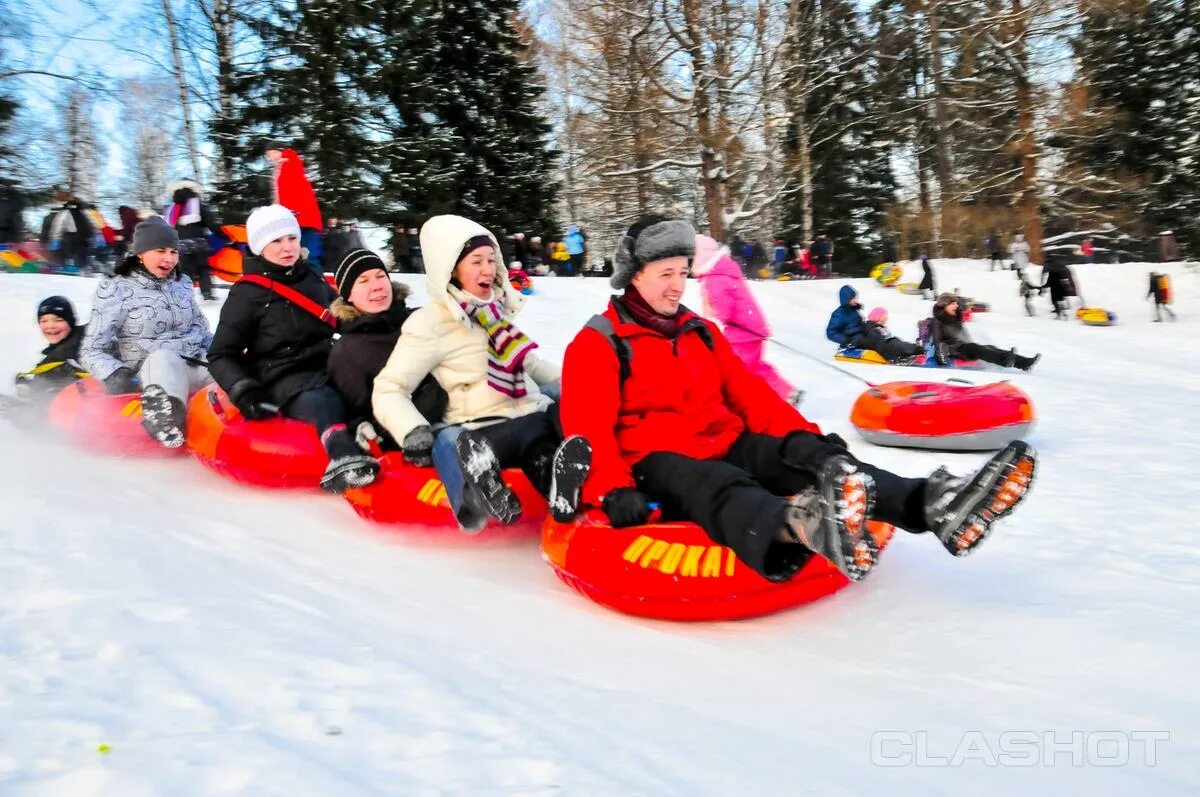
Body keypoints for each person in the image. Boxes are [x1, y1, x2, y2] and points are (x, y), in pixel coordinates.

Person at [559, 215, 1038, 584]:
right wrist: (612, 489)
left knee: (807, 460)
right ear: (633, 276)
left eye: (684, 272)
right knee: (717, 481)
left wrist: (808, 441)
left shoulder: (700, 332)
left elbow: (752, 398)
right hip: (653, 458)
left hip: (722, 439)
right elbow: (587, 427)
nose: (678, 285)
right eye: (666, 273)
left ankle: (933, 504)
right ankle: (803, 525)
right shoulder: (599, 342)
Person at [372, 215, 584, 532]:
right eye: (476, 261)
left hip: (526, 413)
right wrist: (412, 429)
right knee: (482, 438)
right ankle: (477, 487)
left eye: (491, 260)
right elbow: (390, 387)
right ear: (452, 269)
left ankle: (566, 495)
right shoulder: (430, 323)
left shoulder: (495, 312)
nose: (488, 270)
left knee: (553, 416)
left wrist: (582, 383)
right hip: (478, 427)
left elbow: (533, 366)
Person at [206, 205, 379, 492]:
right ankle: (343, 455)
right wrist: (243, 390)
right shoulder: (246, 293)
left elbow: (339, 315)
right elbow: (221, 354)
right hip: (283, 376)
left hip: (328, 362)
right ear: (259, 246)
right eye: (276, 241)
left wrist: (373, 328)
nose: (287, 247)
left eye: (292, 239)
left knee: (371, 385)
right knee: (324, 400)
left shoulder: (311, 276)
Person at [79, 217, 214, 447]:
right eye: (160, 250)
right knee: (162, 358)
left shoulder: (182, 284)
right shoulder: (117, 288)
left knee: (227, 368)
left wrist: (224, 352)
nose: (169, 258)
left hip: (194, 364)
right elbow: (91, 349)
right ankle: (166, 418)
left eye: (173, 251)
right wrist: (114, 374)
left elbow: (201, 330)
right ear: (140, 253)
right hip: (150, 370)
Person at [326, 249, 448, 449]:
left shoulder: (421, 319)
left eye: (381, 276)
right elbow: (363, 413)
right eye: (363, 281)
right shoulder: (347, 352)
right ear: (348, 294)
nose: (376, 286)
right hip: (424, 437)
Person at [692, 233, 798, 403]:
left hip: (741, 331)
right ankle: (786, 392)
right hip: (749, 327)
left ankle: (775, 396)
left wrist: (716, 318)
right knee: (754, 365)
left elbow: (723, 310)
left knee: (740, 368)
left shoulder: (715, 279)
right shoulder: (724, 272)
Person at [1, 296, 89, 420]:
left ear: (70, 321)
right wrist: (32, 389)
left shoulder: (89, 338)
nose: (50, 326)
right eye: (44, 321)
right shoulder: (51, 361)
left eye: (58, 319)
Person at [930, 293, 1039, 371]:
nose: (957, 306)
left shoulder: (954, 318)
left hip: (962, 347)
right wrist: (943, 357)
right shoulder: (938, 321)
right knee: (976, 349)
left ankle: (1024, 363)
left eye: (956, 303)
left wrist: (970, 344)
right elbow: (938, 341)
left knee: (989, 348)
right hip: (952, 351)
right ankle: (1005, 361)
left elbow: (963, 336)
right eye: (953, 304)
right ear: (944, 306)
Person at [264, 142, 324, 271]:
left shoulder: (288, 164)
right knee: (302, 256)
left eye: (273, 153)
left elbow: (290, 193)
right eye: (268, 156)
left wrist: (289, 213)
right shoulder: (287, 165)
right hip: (300, 219)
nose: (271, 158)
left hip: (302, 220)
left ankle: (317, 285)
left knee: (307, 255)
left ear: (280, 151)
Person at [826, 285, 922, 363]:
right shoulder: (839, 314)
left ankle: (910, 349)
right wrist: (846, 340)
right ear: (846, 299)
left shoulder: (853, 310)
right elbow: (830, 332)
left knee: (887, 338)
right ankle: (897, 355)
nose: (856, 300)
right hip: (855, 340)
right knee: (879, 342)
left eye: (856, 297)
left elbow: (860, 325)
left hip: (863, 335)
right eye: (853, 298)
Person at [164, 178, 220, 300]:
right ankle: (207, 294)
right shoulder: (197, 204)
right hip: (199, 242)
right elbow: (210, 222)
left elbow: (167, 228)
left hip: (181, 244)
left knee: (186, 271)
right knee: (203, 268)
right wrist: (222, 235)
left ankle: (184, 296)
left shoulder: (172, 208)